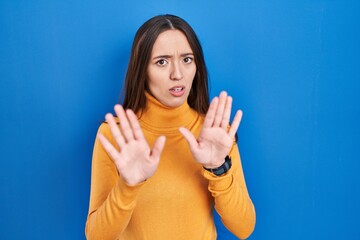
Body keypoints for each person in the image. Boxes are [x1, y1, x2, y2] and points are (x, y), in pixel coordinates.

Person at [85, 14, 256, 239]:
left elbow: (244, 228)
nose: (178, 74)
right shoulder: (114, 135)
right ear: (142, 70)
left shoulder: (215, 134)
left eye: (187, 59)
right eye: (162, 62)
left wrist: (218, 168)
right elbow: (96, 236)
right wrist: (128, 186)